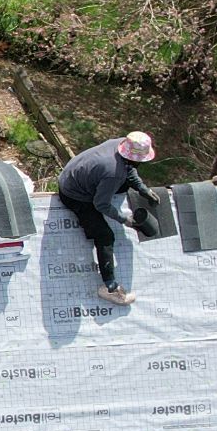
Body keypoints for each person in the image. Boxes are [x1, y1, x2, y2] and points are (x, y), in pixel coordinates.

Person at [55, 130, 158, 305]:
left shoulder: (120, 144)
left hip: (74, 174)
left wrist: (142, 189)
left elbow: (129, 169)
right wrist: (125, 219)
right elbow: (100, 205)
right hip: (73, 194)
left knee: (122, 184)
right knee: (105, 236)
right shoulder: (113, 173)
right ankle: (110, 288)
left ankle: (110, 286)